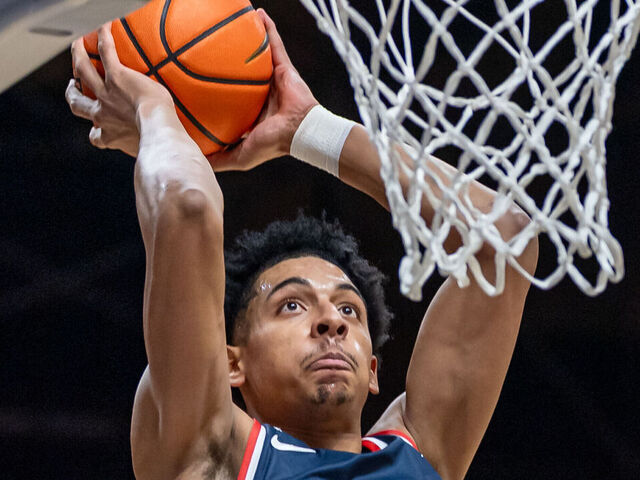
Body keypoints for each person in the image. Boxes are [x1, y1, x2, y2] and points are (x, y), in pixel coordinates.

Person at [66, 9, 538, 480]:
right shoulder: (212, 453)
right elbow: (187, 208)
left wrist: (311, 131)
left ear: (373, 370)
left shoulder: (419, 454)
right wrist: (154, 111)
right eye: (292, 305)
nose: (331, 321)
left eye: (350, 310)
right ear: (231, 362)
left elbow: (505, 240)